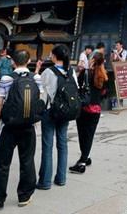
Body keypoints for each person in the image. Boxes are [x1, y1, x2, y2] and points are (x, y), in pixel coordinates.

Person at [0, 49, 42, 210]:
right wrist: (35, 121)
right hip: (28, 126)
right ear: (29, 61)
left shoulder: (6, 78)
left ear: (12, 62)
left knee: (2, 164)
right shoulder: (36, 78)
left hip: (8, 126)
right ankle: (24, 197)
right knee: (27, 161)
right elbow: (38, 101)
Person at [36, 45, 77, 190]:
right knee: (62, 145)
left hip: (50, 111)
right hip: (65, 112)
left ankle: (45, 181)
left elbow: (42, 89)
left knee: (47, 146)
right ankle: (61, 178)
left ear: (54, 56)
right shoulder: (71, 71)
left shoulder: (48, 72)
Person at [69, 52, 108, 174]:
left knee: (83, 134)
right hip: (96, 109)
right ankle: (87, 156)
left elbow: (77, 87)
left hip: (84, 108)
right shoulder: (104, 76)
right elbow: (104, 93)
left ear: (92, 61)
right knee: (89, 135)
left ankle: (82, 163)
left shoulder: (85, 73)